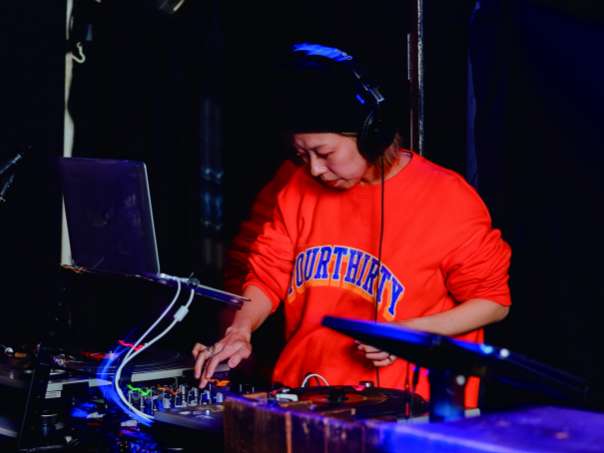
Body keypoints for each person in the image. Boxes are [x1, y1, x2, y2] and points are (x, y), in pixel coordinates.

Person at [193, 42, 511, 408]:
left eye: (325, 153)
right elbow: (267, 273)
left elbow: (493, 303)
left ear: (371, 134)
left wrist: (406, 335)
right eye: (302, 155)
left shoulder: (447, 197)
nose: (314, 169)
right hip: (303, 401)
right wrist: (240, 330)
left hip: (405, 412)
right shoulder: (296, 186)